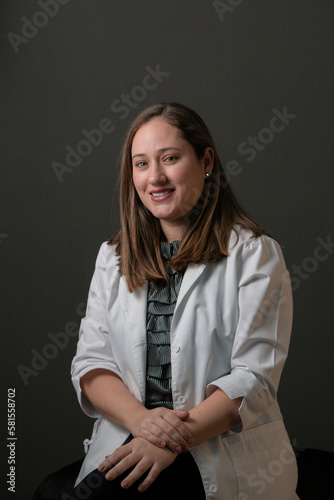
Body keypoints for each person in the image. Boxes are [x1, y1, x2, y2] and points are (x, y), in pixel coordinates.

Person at [65, 103, 299, 499]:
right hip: (133, 434)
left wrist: (169, 441)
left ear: (205, 160)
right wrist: (143, 424)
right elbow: (92, 364)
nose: (154, 177)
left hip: (215, 448)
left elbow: (253, 379)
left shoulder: (255, 254)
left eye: (170, 158)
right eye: (141, 164)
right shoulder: (113, 256)